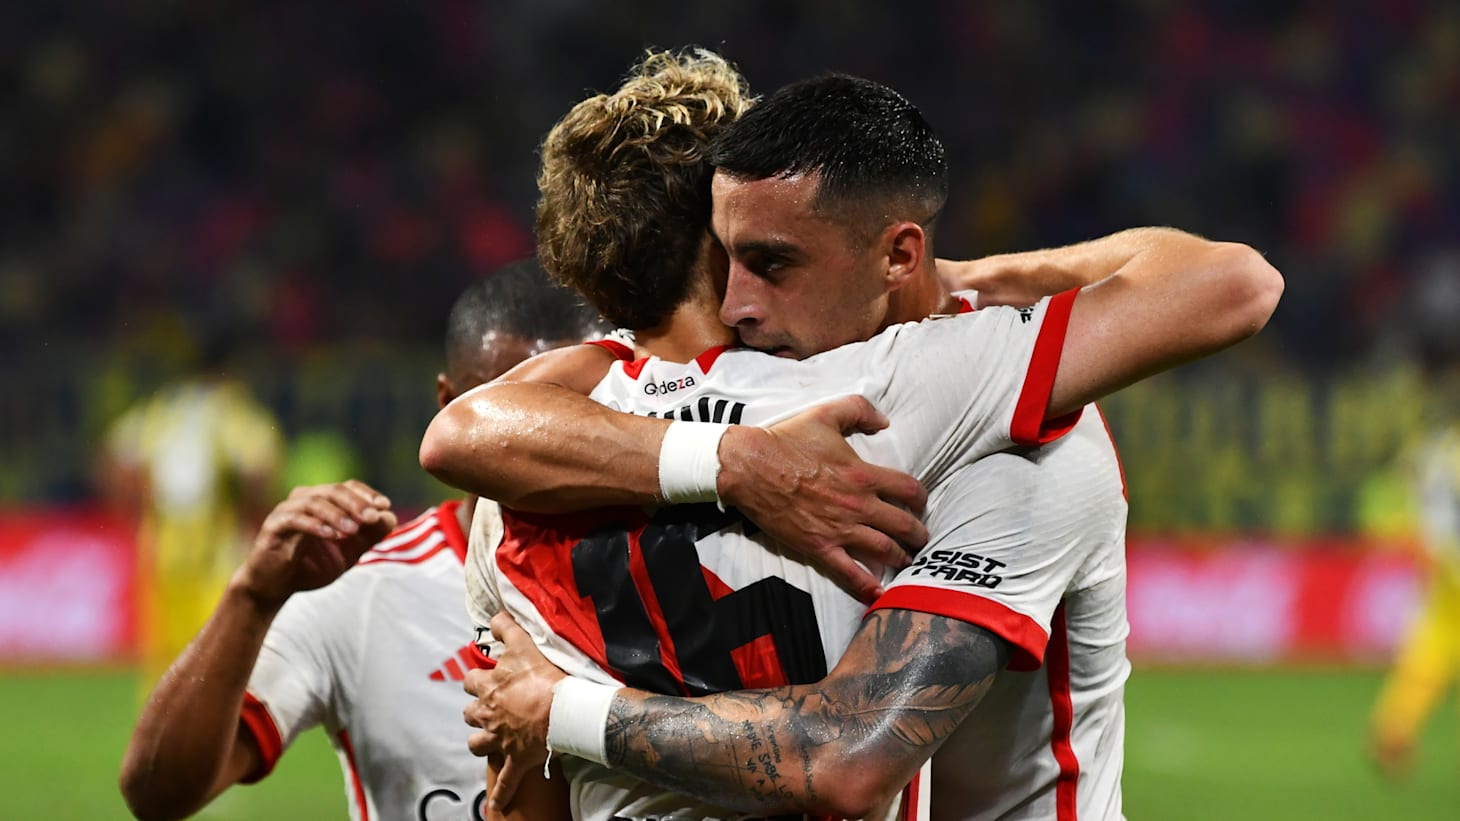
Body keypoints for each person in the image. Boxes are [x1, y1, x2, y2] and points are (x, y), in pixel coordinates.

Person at [425, 65, 1282, 820]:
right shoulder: (898, 392)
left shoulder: (528, 468)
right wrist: (971, 282)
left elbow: (462, 431)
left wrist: (553, 707)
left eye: (774, 261)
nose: (746, 302)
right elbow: (1232, 282)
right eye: (740, 256)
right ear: (712, 244)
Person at [118, 260, 605, 821]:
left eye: (568, 408)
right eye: (501, 410)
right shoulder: (364, 590)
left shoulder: (669, 568)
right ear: (447, 406)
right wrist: (252, 598)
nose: (535, 439)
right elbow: (158, 794)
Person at [97, 320, 285, 697]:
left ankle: (160, 729)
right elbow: (259, 470)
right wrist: (254, 514)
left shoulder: (164, 408)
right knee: (218, 653)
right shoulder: (231, 411)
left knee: (166, 658)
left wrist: (136, 508)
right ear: (230, 369)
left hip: (162, 546)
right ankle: (216, 729)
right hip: (213, 549)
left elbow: (113, 458)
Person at [1367, 383, 1460, 780]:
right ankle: (1396, 731)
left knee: (1430, 651)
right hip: (1446, 576)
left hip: (1444, 574)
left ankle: (1395, 730)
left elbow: (1403, 492)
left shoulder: (1430, 450)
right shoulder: (1440, 453)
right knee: (1434, 644)